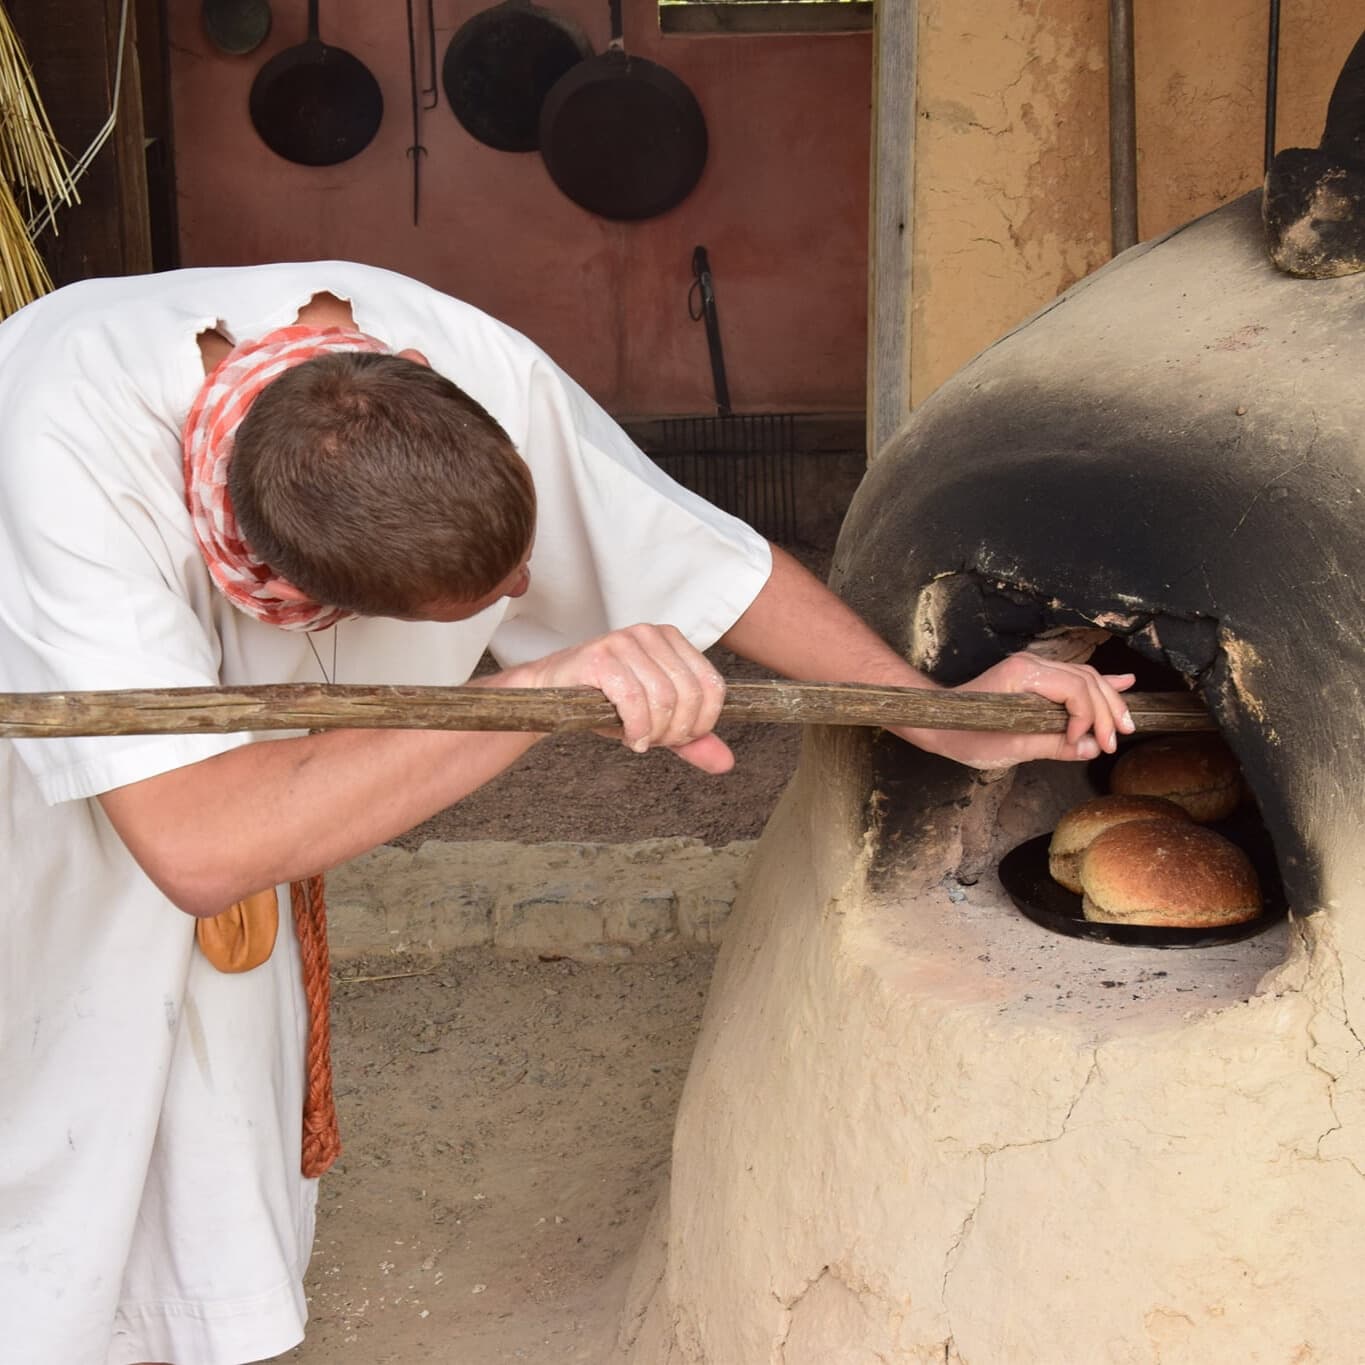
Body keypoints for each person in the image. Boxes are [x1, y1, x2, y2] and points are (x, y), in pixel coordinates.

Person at [0, 261, 1134, 1365]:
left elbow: (696, 557)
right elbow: (200, 846)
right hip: (42, 779)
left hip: (227, 789)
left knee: (216, 1067)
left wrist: (935, 715)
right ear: (315, 602)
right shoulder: (62, 434)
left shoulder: (456, 367)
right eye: (485, 609)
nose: (525, 600)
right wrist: (532, 697)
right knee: (64, 1070)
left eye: (522, 574)